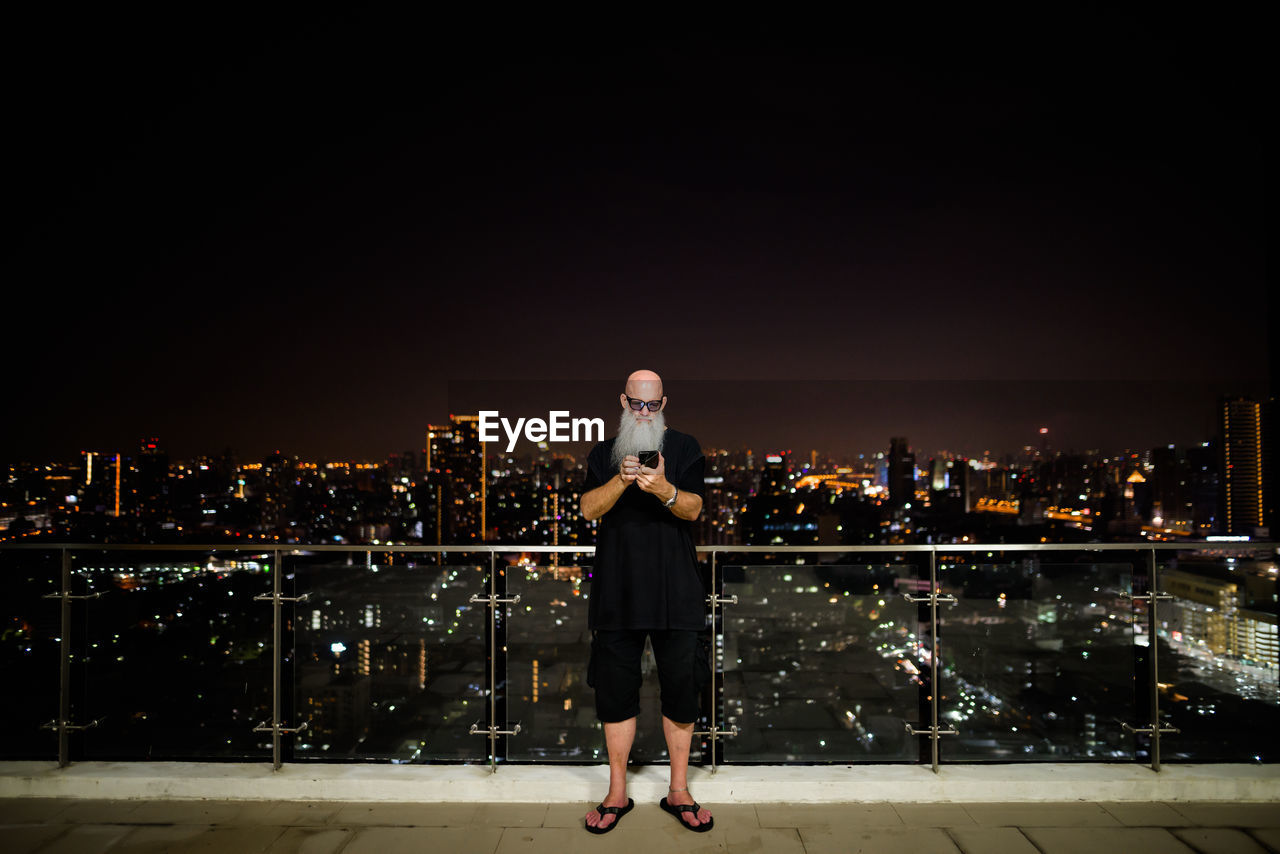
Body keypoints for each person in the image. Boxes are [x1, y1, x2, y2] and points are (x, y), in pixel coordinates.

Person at [580, 369, 714, 835]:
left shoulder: (685, 447)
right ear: (623, 401)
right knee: (615, 693)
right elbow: (587, 508)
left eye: (652, 405)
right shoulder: (602, 452)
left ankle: (678, 790)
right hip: (617, 593)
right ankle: (618, 793)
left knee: (682, 687)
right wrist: (621, 481)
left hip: (677, 591)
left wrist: (663, 488)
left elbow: (695, 508)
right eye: (636, 404)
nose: (643, 412)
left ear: (663, 404)